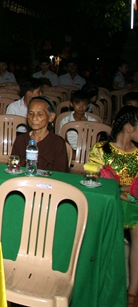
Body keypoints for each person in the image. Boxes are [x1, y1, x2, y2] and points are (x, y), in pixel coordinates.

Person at [85, 106, 138, 307]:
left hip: (132, 202)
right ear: (130, 127)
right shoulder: (102, 149)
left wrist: (127, 193)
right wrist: (121, 192)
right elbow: (94, 177)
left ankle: (132, 291)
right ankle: (100, 283)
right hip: (108, 199)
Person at [11, 96, 68, 173]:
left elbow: (61, 173)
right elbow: (14, 166)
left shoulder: (57, 143)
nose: (34, 118)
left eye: (40, 114)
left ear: (51, 117)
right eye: (31, 113)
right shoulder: (21, 140)